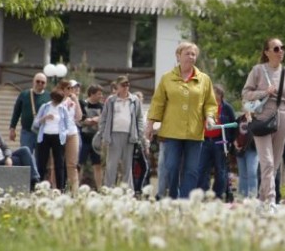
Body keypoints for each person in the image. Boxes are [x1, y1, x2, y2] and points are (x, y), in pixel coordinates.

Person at [145, 42, 217, 199]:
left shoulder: (204, 79)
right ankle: (172, 196)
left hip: (194, 132)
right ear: (178, 56)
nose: (191, 57)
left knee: (191, 170)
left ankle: (185, 201)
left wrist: (210, 117)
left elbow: (210, 104)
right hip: (172, 132)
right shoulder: (167, 79)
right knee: (171, 167)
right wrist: (150, 125)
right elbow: (158, 103)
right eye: (187, 53)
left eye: (193, 54)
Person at [242, 37, 285, 211]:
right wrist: (263, 92)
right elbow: (245, 93)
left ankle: (261, 199)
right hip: (262, 117)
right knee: (266, 161)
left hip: (282, 117)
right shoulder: (258, 70)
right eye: (275, 48)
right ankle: (272, 201)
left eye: (282, 47)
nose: (280, 51)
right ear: (266, 52)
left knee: (274, 164)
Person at [99, 75, 146, 189]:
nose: (126, 87)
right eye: (123, 85)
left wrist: (139, 133)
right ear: (117, 87)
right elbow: (103, 118)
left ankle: (128, 191)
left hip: (130, 136)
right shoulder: (111, 100)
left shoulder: (135, 100)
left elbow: (140, 118)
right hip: (114, 135)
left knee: (127, 165)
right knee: (111, 165)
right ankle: (108, 189)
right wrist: (103, 134)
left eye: (127, 84)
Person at [0, 112, 41, 189]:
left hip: (3, 159)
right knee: (24, 159)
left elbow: (6, 148)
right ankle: (34, 183)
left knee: (25, 150)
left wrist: (7, 157)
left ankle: (35, 180)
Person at [197, 85, 237, 200]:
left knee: (221, 169)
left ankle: (218, 194)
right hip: (205, 141)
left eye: (214, 94)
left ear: (220, 95)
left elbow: (233, 126)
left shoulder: (227, 108)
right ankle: (202, 193)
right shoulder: (204, 107)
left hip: (220, 141)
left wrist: (230, 141)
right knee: (202, 168)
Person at [33, 90, 71, 191]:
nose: (57, 103)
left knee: (59, 164)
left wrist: (65, 134)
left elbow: (68, 124)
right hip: (44, 136)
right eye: (56, 100)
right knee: (42, 162)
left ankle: (60, 188)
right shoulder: (45, 107)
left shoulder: (63, 109)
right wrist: (44, 118)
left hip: (58, 137)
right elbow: (36, 123)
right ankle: (39, 187)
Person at [9, 73, 51, 154]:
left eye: (43, 82)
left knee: (40, 157)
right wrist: (12, 128)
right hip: (27, 131)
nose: (40, 84)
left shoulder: (48, 96)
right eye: (38, 81)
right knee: (26, 155)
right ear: (33, 81)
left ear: (46, 84)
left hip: (42, 133)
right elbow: (16, 112)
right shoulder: (24, 94)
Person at [57, 80, 83, 193]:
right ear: (63, 89)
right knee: (56, 163)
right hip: (58, 134)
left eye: (72, 89)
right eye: (68, 88)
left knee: (72, 164)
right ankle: (56, 189)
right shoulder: (57, 100)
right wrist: (63, 99)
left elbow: (79, 117)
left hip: (72, 133)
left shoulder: (73, 102)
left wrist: (75, 100)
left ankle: (74, 191)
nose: (71, 91)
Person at [79, 84, 104, 188]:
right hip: (83, 138)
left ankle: (100, 189)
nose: (101, 96)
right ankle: (74, 189)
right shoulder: (82, 104)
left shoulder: (102, 106)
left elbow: (103, 120)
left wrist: (93, 120)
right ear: (92, 94)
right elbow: (82, 120)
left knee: (97, 165)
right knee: (80, 165)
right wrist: (95, 120)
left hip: (97, 141)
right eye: (99, 94)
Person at [234, 112, 258, 199]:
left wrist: (251, 120)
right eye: (244, 102)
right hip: (240, 150)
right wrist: (234, 141)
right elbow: (234, 132)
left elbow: (257, 131)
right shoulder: (239, 118)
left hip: (252, 149)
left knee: (252, 172)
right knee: (242, 174)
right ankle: (242, 197)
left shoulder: (257, 117)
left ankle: (252, 197)